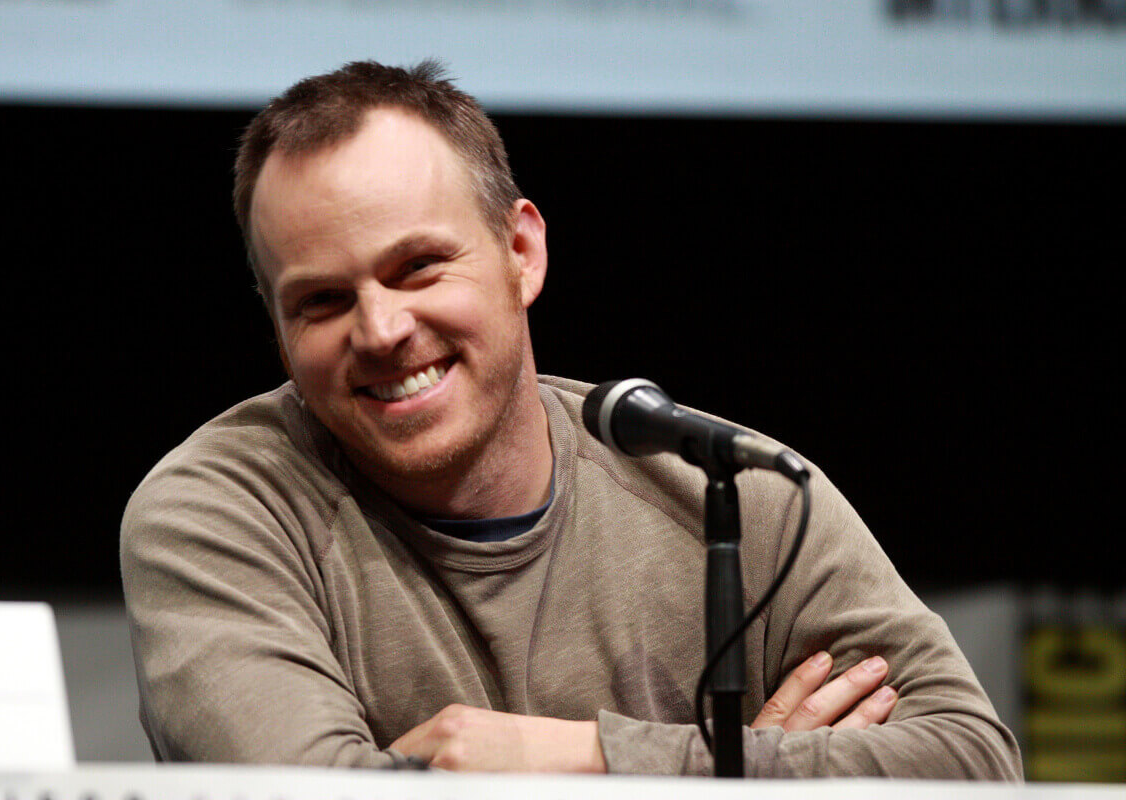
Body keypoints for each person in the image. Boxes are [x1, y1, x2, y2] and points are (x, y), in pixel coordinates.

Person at [121, 60, 1021, 778]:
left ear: (521, 252)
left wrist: (584, 758)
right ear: (277, 331)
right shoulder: (217, 514)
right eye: (320, 301)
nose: (383, 329)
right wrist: (740, 773)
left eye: (419, 267)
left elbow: (973, 762)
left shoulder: (732, 491)